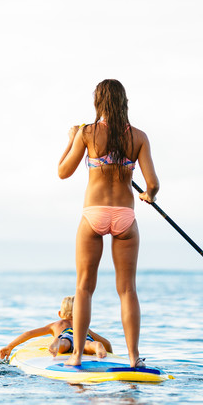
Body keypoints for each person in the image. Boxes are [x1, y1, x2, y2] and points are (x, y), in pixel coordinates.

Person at [57, 79, 159, 368]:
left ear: (98, 103)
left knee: (84, 288)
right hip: (125, 217)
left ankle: (76, 355)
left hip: (94, 215)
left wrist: (71, 139)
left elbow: (63, 172)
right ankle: (134, 358)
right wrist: (147, 194)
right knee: (127, 289)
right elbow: (152, 184)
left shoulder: (87, 133)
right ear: (123, 103)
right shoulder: (138, 137)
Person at [0, 296, 113, 360]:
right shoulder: (84, 326)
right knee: (87, 344)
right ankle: (96, 346)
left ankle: (58, 343)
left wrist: (10, 346)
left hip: (65, 335)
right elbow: (107, 343)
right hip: (83, 335)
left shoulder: (55, 325)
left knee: (65, 344)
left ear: (60, 313)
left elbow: (29, 333)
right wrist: (111, 355)